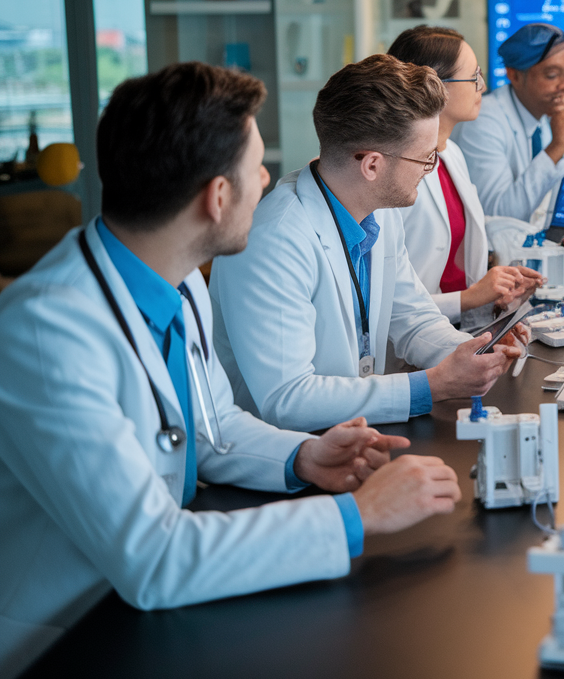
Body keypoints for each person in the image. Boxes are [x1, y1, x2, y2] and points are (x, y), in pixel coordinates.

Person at [0, 63, 463, 677]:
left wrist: (303, 457)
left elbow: (215, 425)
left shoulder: (179, 277)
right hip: (68, 635)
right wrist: (358, 515)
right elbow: (155, 557)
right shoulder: (47, 333)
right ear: (216, 198)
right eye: (256, 168)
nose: (270, 178)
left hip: (158, 602)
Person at [210, 55, 525, 433]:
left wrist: (474, 351)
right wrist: (433, 385)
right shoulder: (275, 240)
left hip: (347, 435)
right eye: (426, 158)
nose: (432, 169)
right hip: (282, 455)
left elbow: (412, 315)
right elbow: (287, 400)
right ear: (372, 165)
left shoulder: (376, 209)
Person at [385, 26, 542, 327]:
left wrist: (494, 293)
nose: (482, 87)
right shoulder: (394, 171)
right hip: (406, 349)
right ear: (435, 86)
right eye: (474, 78)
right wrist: (473, 297)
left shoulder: (450, 153)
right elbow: (385, 300)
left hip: (454, 331)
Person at [452, 23, 564, 222]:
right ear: (514, 75)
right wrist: (557, 146)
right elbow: (499, 215)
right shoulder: (483, 122)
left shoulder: (542, 115)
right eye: (552, 75)